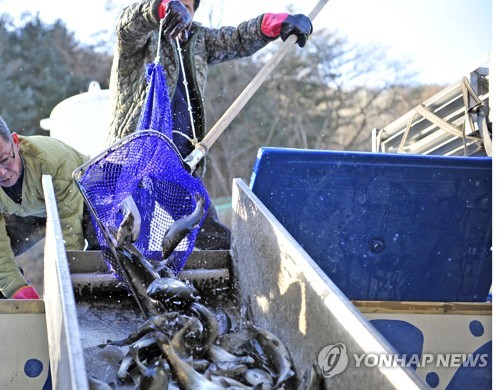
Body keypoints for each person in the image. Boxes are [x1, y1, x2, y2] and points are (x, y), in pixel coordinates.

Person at [107, 0, 313, 250]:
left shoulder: (199, 39)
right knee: (113, 235)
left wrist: (274, 23)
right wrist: (161, 9)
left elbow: (236, 40)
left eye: (187, 6)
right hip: (131, 155)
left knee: (214, 239)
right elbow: (127, 25)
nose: (182, 12)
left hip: (178, 162)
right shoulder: (141, 37)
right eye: (176, 3)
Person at [0, 116, 92, 299]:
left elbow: (68, 228)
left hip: (83, 198)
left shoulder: (54, 161)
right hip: (33, 215)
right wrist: (15, 288)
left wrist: (63, 284)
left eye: (4, 160)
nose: (2, 173)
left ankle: (95, 295)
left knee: (99, 231)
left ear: (15, 143)